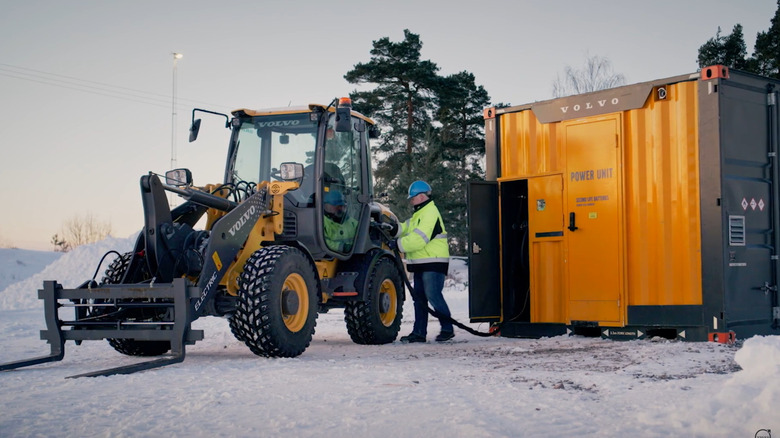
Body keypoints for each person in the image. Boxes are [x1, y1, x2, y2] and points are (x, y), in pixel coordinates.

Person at [390, 180, 454, 343]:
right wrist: (392, 228)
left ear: (421, 196)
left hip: (433, 261)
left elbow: (419, 239)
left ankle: (447, 329)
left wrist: (398, 244)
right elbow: (406, 227)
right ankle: (419, 333)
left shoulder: (430, 213)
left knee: (432, 295)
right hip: (420, 263)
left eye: (412, 197)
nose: (411, 200)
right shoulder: (420, 214)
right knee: (419, 298)